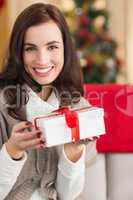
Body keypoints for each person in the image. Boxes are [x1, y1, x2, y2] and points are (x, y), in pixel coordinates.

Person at [0, 3, 96, 200]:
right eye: (30, 49)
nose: (42, 60)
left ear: (65, 50)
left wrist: (73, 151)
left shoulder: (80, 109)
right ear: (19, 52)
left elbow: (68, 194)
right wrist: (12, 151)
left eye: (52, 47)